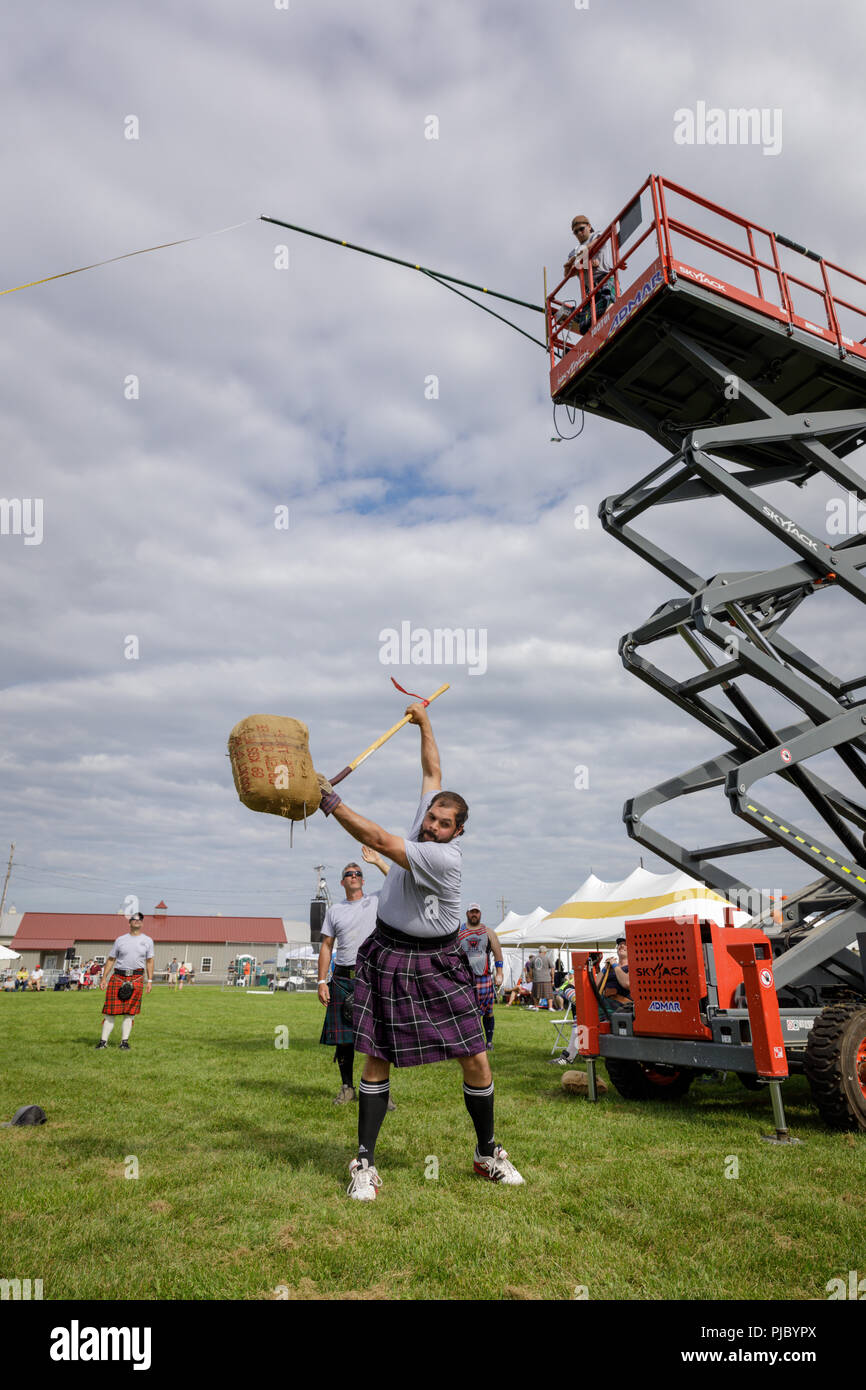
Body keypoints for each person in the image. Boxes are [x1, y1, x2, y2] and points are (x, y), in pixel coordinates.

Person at [316, 702, 524, 1199]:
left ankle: (486, 1152)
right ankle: (363, 1162)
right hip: (386, 951)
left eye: (443, 822)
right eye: (431, 817)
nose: (431, 825)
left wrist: (328, 801)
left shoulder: (441, 858)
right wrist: (423, 722)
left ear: (458, 832)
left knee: (475, 1056)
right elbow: (432, 770)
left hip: (437, 961)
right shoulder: (422, 824)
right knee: (376, 1055)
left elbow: (376, 837)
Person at [318, 849, 390, 1105]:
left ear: (362, 879)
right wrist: (321, 981)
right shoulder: (334, 911)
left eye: (358, 873)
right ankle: (347, 1087)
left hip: (372, 975)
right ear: (342, 882)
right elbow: (327, 946)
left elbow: (396, 880)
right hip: (343, 977)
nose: (354, 876)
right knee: (344, 1038)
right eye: (349, 874)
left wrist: (378, 860)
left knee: (380, 1035)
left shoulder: (377, 900)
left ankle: (381, 1091)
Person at [96, 911, 154, 1049]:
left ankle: (124, 1042)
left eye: (140, 919)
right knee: (110, 1012)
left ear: (142, 922)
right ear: (129, 922)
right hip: (118, 977)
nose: (137, 921)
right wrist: (104, 978)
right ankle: (103, 1042)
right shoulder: (120, 940)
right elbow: (111, 959)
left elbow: (150, 961)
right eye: (134, 919)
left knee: (130, 1013)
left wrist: (150, 981)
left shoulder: (148, 941)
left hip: (137, 977)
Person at [558, 214, 615, 336]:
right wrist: (580, 262)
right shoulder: (575, 250)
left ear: (589, 226)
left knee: (609, 303)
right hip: (590, 289)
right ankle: (600, 335)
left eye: (581, 229)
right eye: (575, 232)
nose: (579, 233)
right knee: (589, 320)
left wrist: (575, 259)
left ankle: (613, 327)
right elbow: (567, 273)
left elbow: (593, 244)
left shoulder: (596, 235)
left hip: (603, 278)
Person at [457, 904, 504, 1051]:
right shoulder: (459, 932)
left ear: (480, 914)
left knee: (488, 1011)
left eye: (477, 912)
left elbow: (498, 954)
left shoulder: (488, 932)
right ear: (467, 913)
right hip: (463, 977)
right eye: (472, 912)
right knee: (465, 1011)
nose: (474, 914)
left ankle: (488, 1041)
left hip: (483, 978)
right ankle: (468, 1042)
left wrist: (500, 973)